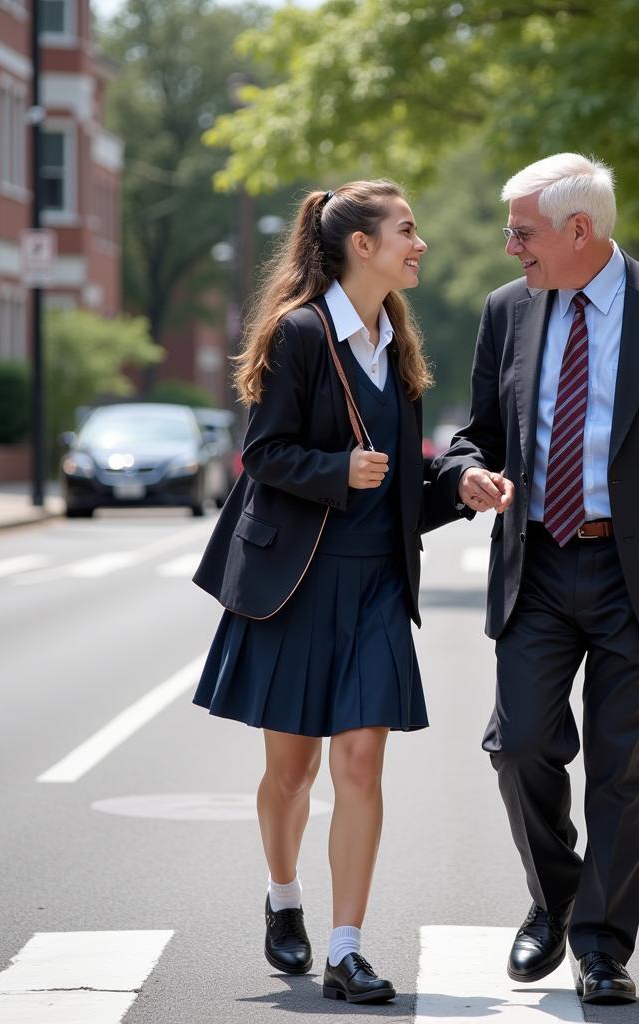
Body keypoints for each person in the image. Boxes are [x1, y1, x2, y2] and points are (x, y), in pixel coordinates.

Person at [435, 153, 639, 1004]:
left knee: (621, 765)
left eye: (523, 231)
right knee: (520, 745)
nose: (510, 248)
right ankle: (556, 894)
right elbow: (481, 431)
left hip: (637, 570)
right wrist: (465, 471)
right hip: (535, 562)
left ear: (581, 230)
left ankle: (602, 945)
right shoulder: (508, 312)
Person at [192, 180, 461, 1003]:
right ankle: (284, 898)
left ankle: (346, 948)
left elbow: (405, 488)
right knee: (291, 772)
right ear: (362, 245)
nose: (420, 243)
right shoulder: (301, 335)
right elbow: (264, 454)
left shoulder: (399, 345)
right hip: (298, 583)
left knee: (362, 761)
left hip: (377, 580)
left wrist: (464, 487)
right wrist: (335, 469)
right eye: (407, 230)